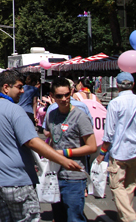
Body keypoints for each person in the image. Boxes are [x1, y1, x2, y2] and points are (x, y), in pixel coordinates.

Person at [0, 70, 81, 222]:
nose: (22, 91)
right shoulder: (15, 110)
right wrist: (63, 160)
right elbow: (32, 141)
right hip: (15, 180)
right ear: (6, 88)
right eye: (19, 87)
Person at [96, 72, 136, 222]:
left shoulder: (115, 103)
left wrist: (102, 152)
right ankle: (124, 218)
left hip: (119, 152)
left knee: (116, 186)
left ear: (117, 86)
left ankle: (129, 218)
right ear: (133, 85)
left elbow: (109, 133)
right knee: (130, 185)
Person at [44, 77, 97, 222]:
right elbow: (51, 139)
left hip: (74, 177)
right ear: (52, 96)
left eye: (67, 95)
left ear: (71, 92)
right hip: (55, 175)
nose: (64, 99)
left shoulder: (80, 116)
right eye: (59, 96)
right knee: (59, 217)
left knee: (74, 217)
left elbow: (92, 146)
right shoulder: (51, 115)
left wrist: (65, 153)